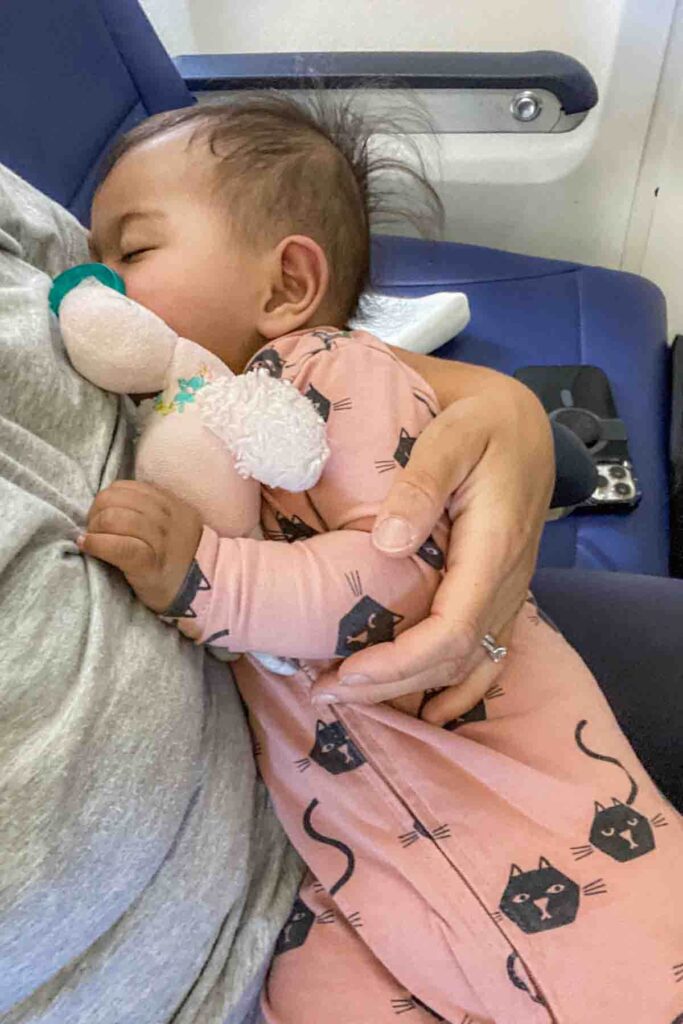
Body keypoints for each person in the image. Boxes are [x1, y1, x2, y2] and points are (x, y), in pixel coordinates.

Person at [77, 94, 683, 1024]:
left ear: (286, 286)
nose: (95, 285)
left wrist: (206, 580)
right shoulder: (189, 412)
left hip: (493, 772)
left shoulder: (338, 373)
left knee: (619, 960)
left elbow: (390, 573)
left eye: (133, 250)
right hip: (354, 844)